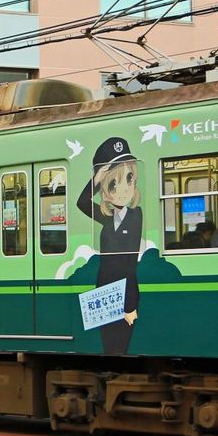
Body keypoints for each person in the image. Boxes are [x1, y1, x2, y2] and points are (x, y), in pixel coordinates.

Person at [77, 136, 143, 355]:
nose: (123, 189)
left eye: (129, 179)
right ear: (105, 191)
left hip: (124, 296)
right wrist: (97, 178)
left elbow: (130, 262)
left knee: (120, 348)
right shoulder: (106, 218)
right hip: (104, 294)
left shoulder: (136, 215)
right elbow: (82, 202)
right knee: (109, 349)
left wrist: (130, 305)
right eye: (113, 183)